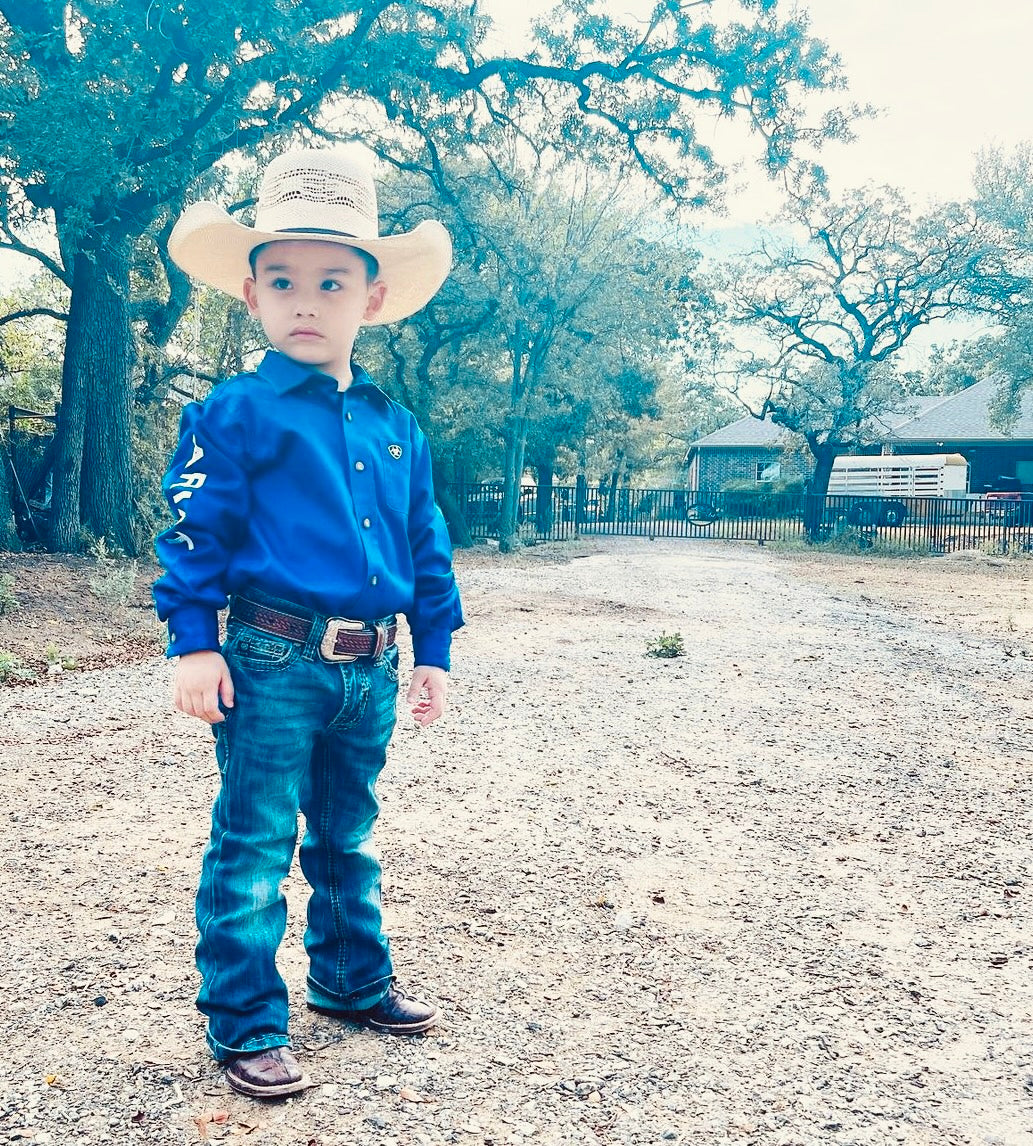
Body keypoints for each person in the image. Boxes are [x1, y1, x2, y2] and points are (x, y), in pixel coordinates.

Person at [153, 147, 463, 1099]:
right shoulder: (234, 412)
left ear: (369, 300)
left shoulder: (393, 423)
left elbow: (425, 540)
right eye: (282, 281)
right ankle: (245, 1020)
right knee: (253, 842)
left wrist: (434, 652)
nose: (304, 301)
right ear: (250, 296)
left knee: (346, 831)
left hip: (370, 667)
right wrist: (194, 642)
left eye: (330, 282)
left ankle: (350, 979)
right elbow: (193, 528)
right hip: (271, 656)